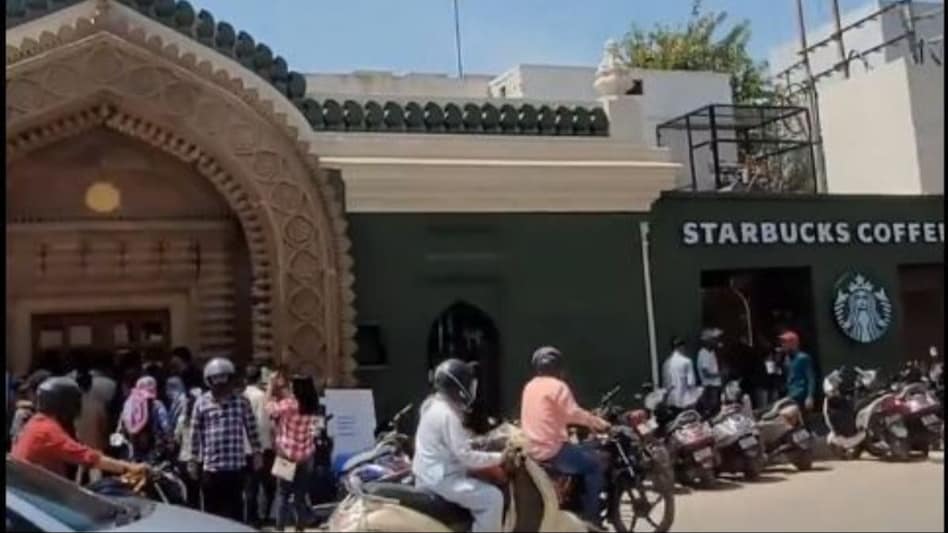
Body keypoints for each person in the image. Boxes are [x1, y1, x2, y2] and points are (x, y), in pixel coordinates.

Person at [413, 359, 507, 533]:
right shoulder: (448, 415)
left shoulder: (431, 406)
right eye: (469, 384)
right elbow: (466, 457)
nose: (472, 389)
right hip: (442, 479)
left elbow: (451, 444)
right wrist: (501, 457)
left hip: (428, 473)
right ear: (459, 387)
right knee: (493, 498)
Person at [521, 346, 610, 525]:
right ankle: (592, 519)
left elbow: (551, 414)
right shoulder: (558, 386)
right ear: (558, 367)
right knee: (595, 465)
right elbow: (573, 413)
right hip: (553, 451)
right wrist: (598, 422)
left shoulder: (529, 386)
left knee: (580, 451)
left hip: (531, 449)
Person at [11, 376, 147, 480]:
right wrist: (130, 467)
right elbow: (87, 457)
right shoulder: (47, 430)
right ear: (63, 403)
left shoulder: (36, 422)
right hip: (39, 498)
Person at [189, 357, 263, 523]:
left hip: (235, 468)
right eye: (217, 383)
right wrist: (193, 460)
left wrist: (257, 452)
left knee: (235, 512)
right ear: (209, 382)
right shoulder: (201, 403)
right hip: (211, 468)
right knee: (212, 515)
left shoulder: (242, 402)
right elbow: (194, 434)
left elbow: (252, 429)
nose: (221, 387)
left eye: (225, 381)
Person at [267, 373, 321, 532]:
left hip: (286, 454)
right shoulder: (314, 406)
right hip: (306, 455)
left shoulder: (289, 404)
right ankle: (300, 528)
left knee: (283, 495)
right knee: (300, 496)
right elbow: (317, 431)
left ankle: (280, 529)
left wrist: (271, 386)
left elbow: (270, 409)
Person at [243, 364, 275, 527]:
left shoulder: (241, 396)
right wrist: (264, 447)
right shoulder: (261, 397)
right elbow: (263, 423)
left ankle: (250, 517)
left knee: (250, 486)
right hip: (260, 448)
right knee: (267, 484)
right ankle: (260, 517)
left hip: (243, 448)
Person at [118, 376, 174, 463]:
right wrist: (171, 442)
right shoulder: (157, 405)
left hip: (131, 452)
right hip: (153, 451)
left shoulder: (128, 403)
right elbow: (166, 426)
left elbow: (121, 427)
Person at [74, 369, 109, 484]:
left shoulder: (74, 404)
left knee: (79, 477)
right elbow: (104, 426)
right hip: (96, 446)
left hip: (79, 445)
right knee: (96, 479)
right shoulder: (98, 404)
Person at [10, 369, 53, 447]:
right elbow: (16, 444)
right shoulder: (24, 414)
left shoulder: (55, 417)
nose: (28, 396)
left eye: (30, 392)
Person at [779, 331, 817, 412]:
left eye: (785, 342)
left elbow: (811, 378)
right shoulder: (786, 360)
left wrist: (810, 396)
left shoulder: (803, 358)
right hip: (791, 395)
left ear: (793, 343)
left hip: (801, 395)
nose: (782, 345)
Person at [662, 337, 699, 411]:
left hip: (671, 400)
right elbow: (691, 382)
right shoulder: (687, 361)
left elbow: (665, 384)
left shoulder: (666, 363)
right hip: (684, 401)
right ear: (681, 347)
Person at [696, 329, 724, 415]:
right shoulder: (703, 354)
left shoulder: (711, 352)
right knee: (711, 412)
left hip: (715, 386)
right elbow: (706, 373)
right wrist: (720, 374)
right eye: (713, 339)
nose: (716, 341)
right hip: (710, 388)